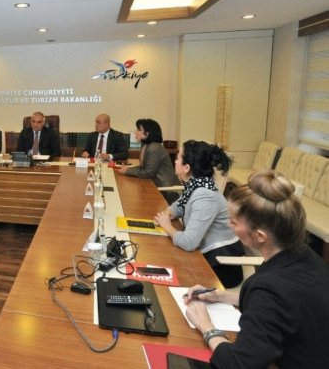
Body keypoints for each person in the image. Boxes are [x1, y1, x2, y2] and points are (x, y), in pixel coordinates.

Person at [184, 171, 329, 368]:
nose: (228, 224)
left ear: (260, 236)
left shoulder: (272, 287)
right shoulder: (303, 256)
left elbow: (237, 364)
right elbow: (285, 307)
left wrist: (206, 326)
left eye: (233, 221)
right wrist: (220, 296)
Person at [153, 140, 244, 288]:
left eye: (178, 158)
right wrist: (168, 213)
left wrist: (167, 226)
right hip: (204, 256)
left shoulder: (204, 195)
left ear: (187, 168)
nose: (175, 161)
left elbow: (189, 243)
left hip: (220, 267)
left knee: (163, 269)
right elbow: (178, 207)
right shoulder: (197, 184)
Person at [118, 118, 180, 187]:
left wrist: (127, 171)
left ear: (147, 133)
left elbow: (148, 173)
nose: (135, 132)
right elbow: (143, 168)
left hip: (165, 189)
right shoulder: (146, 146)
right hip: (156, 186)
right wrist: (128, 169)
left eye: (139, 130)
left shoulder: (154, 148)